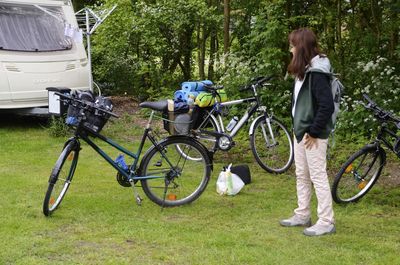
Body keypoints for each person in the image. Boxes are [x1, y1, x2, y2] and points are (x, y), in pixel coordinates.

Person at [280, 28, 336, 236]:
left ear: (301, 46)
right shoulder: (303, 70)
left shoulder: (317, 73)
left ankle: (326, 221)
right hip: (301, 133)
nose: (290, 49)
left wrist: (313, 132)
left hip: (313, 135)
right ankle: (303, 214)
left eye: (293, 44)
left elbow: (326, 106)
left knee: (318, 176)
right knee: (302, 175)